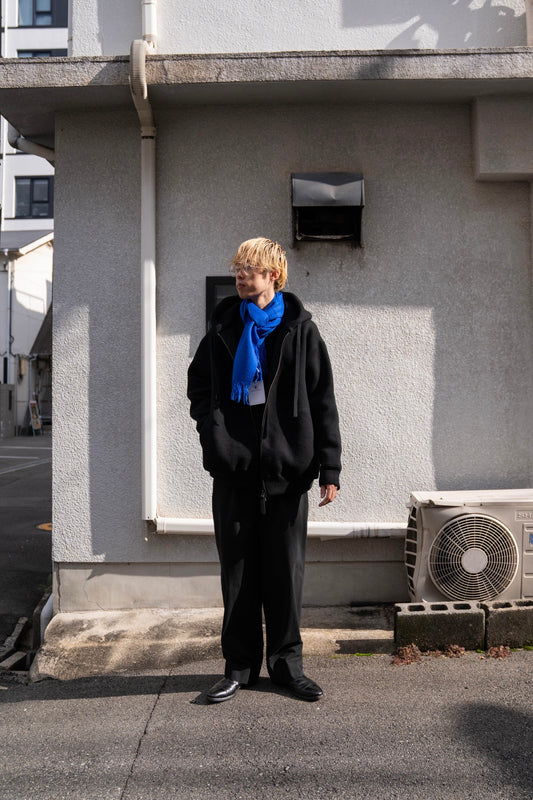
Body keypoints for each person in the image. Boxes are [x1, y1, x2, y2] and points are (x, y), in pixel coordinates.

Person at [187, 237, 341, 703]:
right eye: (237, 268)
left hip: (287, 474)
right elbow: (199, 387)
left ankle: (287, 667)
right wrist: (213, 434)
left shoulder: (300, 331)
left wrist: (330, 467)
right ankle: (239, 668)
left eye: (249, 269)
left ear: (273, 274)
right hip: (234, 473)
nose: (240, 276)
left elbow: (323, 399)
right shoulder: (223, 327)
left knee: (285, 576)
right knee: (237, 575)